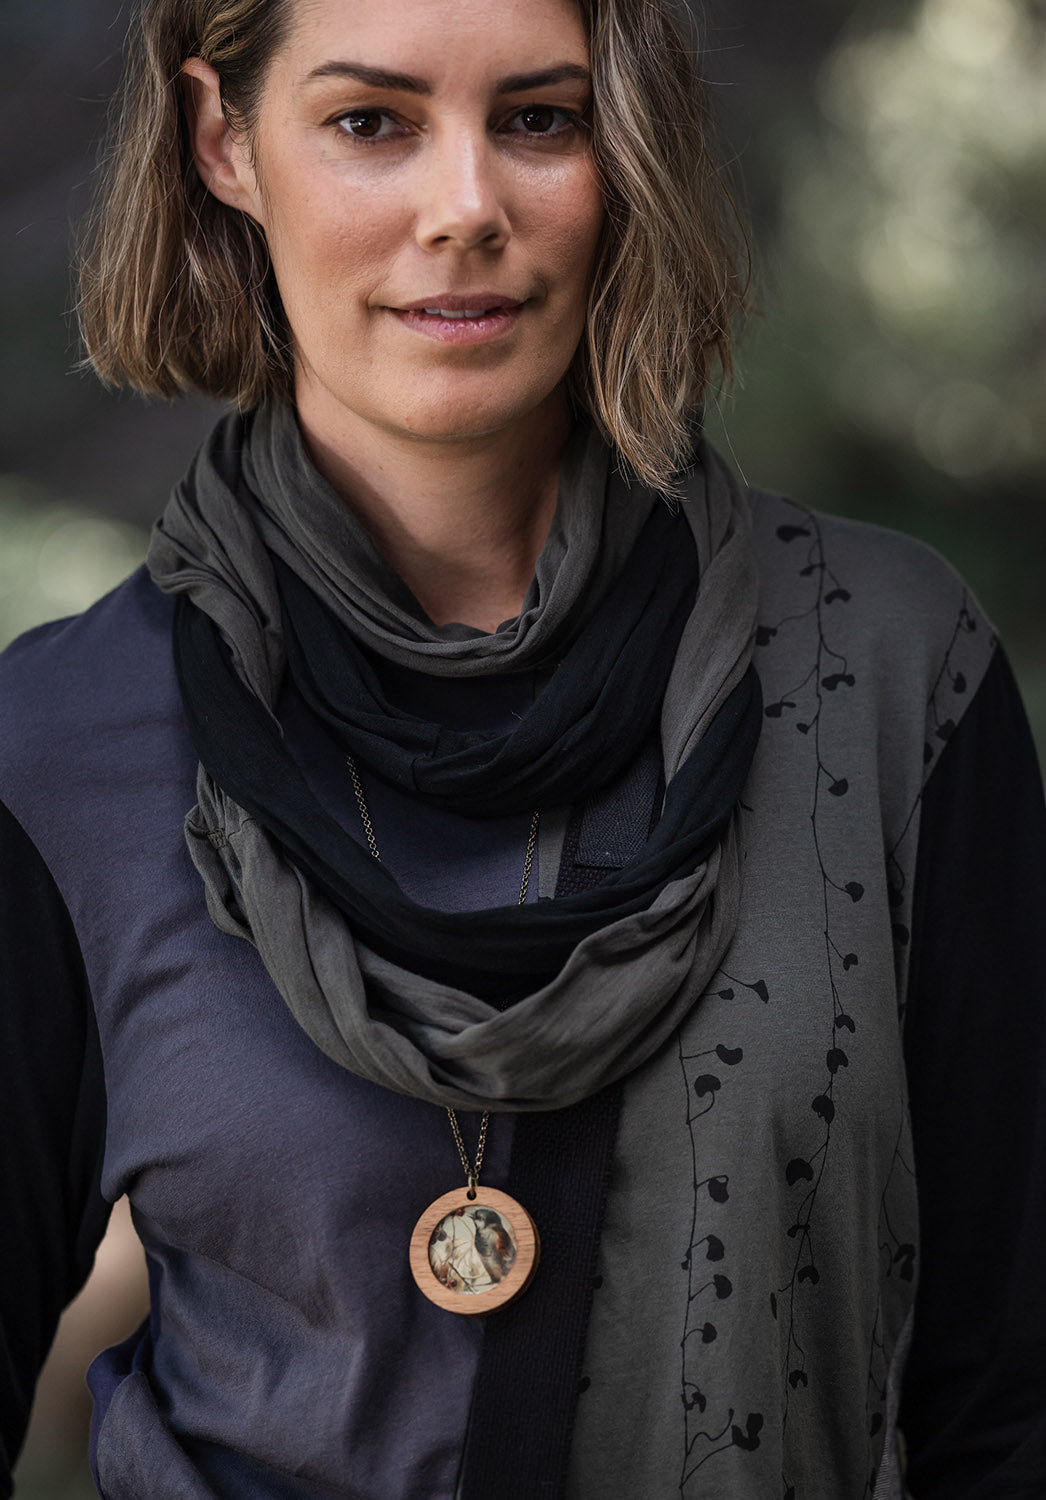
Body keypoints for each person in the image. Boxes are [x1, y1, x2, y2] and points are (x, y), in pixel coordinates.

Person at [1, 0, 1044, 1495]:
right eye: (371, 123)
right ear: (223, 142)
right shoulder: (57, 752)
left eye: (540, 120)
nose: (466, 207)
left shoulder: (890, 673)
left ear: (627, 150)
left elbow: (1009, 1406)